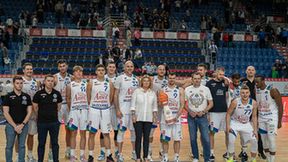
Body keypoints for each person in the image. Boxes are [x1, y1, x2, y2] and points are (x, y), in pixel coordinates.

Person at [87, 64, 115, 162]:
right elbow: (88, 97)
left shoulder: (109, 83)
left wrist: (104, 105)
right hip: (94, 110)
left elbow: (111, 98)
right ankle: (90, 156)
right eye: (99, 70)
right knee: (92, 133)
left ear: (105, 71)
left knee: (106, 133)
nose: (101, 71)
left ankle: (108, 155)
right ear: (96, 72)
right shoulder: (91, 83)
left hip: (105, 110)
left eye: (102, 70)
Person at [33, 75, 62, 162]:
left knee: (55, 143)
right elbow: (35, 107)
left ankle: (55, 160)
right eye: (48, 81)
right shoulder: (38, 94)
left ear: (54, 83)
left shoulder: (57, 94)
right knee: (41, 143)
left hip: (54, 123)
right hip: (42, 123)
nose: (50, 82)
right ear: (44, 82)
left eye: (52, 81)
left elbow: (59, 107)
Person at [185, 72, 213, 162]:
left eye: (198, 78)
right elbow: (184, 104)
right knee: (193, 138)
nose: (197, 80)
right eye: (195, 78)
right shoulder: (187, 89)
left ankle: (207, 158)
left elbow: (211, 103)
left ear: (201, 79)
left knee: (206, 139)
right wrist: (190, 111)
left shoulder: (206, 89)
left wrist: (204, 111)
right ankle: (196, 157)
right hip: (191, 117)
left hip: (203, 116)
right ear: (192, 79)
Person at [114, 61, 139, 162]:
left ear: (133, 68)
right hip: (123, 111)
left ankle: (134, 153)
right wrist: (117, 109)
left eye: (131, 66)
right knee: (121, 132)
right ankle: (119, 154)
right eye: (127, 66)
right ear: (124, 67)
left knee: (134, 132)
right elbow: (115, 95)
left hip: (133, 111)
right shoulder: (119, 78)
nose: (129, 68)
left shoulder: (136, 79)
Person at [3, 76, 32, 162]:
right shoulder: (8, 96)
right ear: (13, 84)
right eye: (17, 83)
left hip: (23, 125)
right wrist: (15, 126)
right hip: (11, 126)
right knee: (9, 146)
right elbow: (6, 112)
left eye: (21, 83)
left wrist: (22, 124)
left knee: (22, 146)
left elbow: (29, 112)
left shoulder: (26, 96)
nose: (19, 85)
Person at [226, 85, 258, 162]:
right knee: (231, 140)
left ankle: (253, 159)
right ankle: (230, 158)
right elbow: (228, 114)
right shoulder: (235, 102)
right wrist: (228, 126)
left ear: (249, 93)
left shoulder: (253, 103)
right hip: (235, 123)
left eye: (247, 92)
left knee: (254, 140)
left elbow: (254, 117)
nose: (245, 94)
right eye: (243, 93)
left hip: (246, 124)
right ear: (240, 94)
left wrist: (255, 129)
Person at [255, 75, 283, 162]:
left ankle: (272, 160)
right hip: (261, 118)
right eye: (255, 82)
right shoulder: (256, 90)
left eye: (257, 82)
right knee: (264, 141)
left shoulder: (272, 90)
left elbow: (280, 106)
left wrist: (279, 121)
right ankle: (268, 159)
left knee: (271, 139)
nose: (256, 83)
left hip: (271, 118)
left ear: (263, 81)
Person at [241, 66, 266, 159]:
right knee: (243, 130)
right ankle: (243, 151)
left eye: (252, 70)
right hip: (245, 109)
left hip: (257, 108)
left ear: (255, 71)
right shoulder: (242, 81)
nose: (250, 71)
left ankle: (260, 151)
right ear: (246, 71)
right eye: (249, 70)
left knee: (258, 131)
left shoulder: (258, 82)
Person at [131, 75, 158, 162]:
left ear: (150, 83)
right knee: (138, 138)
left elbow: (154, 106)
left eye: (148, 81)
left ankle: (145, 156)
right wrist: (133, 115)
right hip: (138, 118)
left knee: (146, 138)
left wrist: (154, 116)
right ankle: (138, 157)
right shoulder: (136, 91)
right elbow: (133, 105)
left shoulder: (152, 93)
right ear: (142, 82)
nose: (146, 82)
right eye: (144, 81)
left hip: (149, 118)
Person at [160, 73, 184, 162]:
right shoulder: (163, 90)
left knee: (177, 139)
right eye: (170, 78)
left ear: (176, 79)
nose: (171, 80)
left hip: (176, 118)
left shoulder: (180, 90)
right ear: (167, 78)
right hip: (165, 118)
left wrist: (176, 117)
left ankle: (176, 156)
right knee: (165, 138)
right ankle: (165, 156)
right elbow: (160, 104)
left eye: (173, 78)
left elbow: (182, 105)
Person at [205, 67, 229, 162]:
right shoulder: (209, 83)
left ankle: (228, 152)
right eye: (220, 74)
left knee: (227, 132)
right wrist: (207, 112)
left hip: (224, 111)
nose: (222, 76)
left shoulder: (225, 83)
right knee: (211, 133)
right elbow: (207, 98)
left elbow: (227, 95)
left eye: (223, 74)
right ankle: (211, 153)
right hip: (213, 112)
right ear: (216, 73)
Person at [66, 66, 89, 162]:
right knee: (73, 133)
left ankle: (82, 155)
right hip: (74, 111)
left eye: (80, 71)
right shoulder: (70, 85)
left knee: (83, 133)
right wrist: (72, 109)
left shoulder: (87, 84)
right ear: (73, 73)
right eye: (76, 71)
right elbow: (68, 98)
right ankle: (72, 155)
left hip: (84, 111)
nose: (79, 73)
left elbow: (89, 97)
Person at [98, 62, 118, 160]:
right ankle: (102, 152)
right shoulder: (102, 78)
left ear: (115, 68)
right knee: (103, 132)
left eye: (113, 67)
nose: (111, 68)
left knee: (116, 131)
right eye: (110, 66)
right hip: (104, 108)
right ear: (107, 68)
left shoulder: (119, 78)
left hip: (115, 109)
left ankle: (117, 152)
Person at [21, 62, 40, 162]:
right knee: (19, 135)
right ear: (23, 70)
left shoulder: (36, 82)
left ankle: (29, 155)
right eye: (27, 69)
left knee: (31, 134)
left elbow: (37, 99)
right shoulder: (20, 81)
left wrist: (36, 112)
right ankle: (19, 155)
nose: (29, 71)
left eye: (31, 69)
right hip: (21, 112)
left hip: (32, 112)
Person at [148, 64, 168, 160]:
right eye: (160, 69)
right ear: (157, 70)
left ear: (165, 71)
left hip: (164, 110)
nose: (161, 71)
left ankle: (161, 151)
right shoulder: (152, 80)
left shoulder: (168, 81)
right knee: (151, 132)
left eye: (163, 69)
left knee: (163, 131)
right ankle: (149, 151)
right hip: (154, 110)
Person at [53, 59, 72, 159]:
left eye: (63, 66)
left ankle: (68, 150)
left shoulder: (71, 78)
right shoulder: (55, 77)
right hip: (58, 106)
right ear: (58, 67)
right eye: (60, 66)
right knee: (54, 130)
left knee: (68, 129)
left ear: (67, 66)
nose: (62, 68)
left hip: (68, 105)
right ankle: (51, 152)